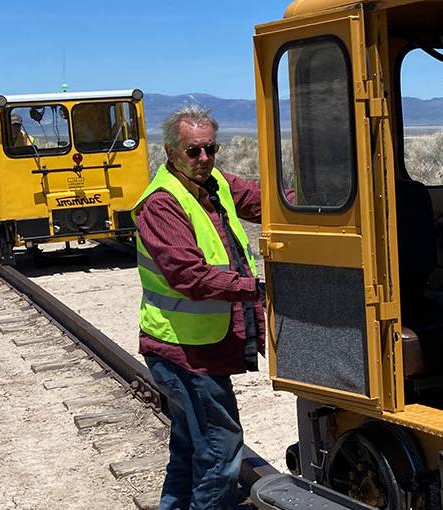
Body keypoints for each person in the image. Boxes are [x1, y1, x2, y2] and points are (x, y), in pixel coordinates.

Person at [134, 105, 264, 510]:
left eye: (211, 149)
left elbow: (268, 199)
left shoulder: (215, 183)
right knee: (220, 454)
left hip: (202, 348)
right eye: (194, 151)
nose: (205, 158)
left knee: (190, 449)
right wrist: (256, 289)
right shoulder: (161, 204)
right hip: (183, 353)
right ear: (171, 152)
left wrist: (322, 199)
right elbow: (189, 276)